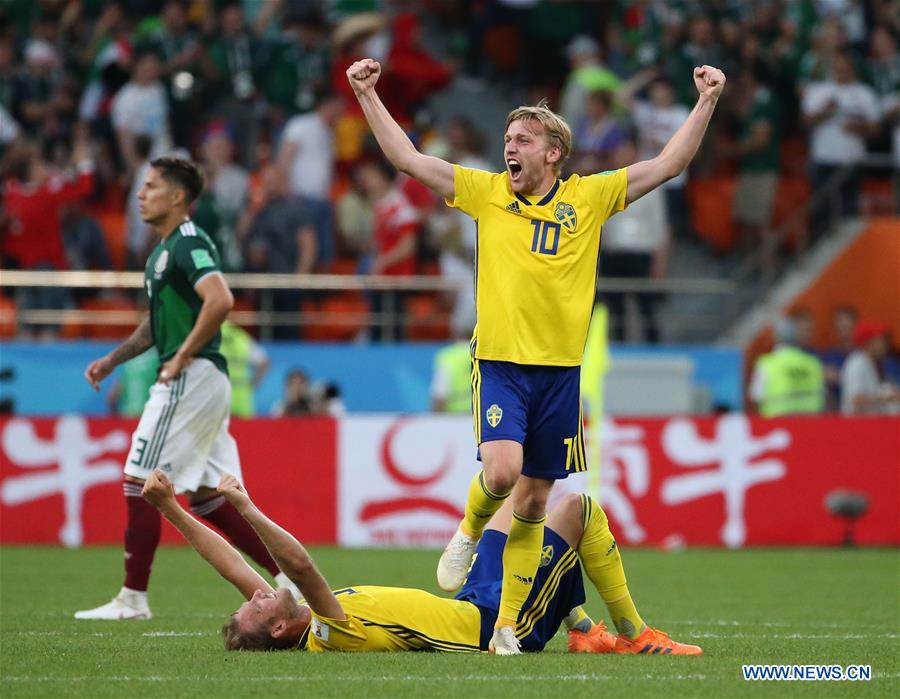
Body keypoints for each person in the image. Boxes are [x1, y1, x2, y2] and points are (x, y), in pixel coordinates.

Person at [346, 56, 726, 654]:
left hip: (559, 375)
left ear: (554, 153)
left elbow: (670, 163)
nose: (509, 148)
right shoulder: (486, 192)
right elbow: (408, 160)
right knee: (500, 473)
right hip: (500, 362)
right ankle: (468, 531)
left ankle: (505, 630)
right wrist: (367, 95)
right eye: (506, 139)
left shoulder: (591, 198)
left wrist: (705, 101)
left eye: (523, 139)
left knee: (533, 501)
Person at [141, 468, 701, 655]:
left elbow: (232, 565)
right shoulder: (331, 632)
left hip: (471, 601)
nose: (258, 592)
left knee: (519, 492)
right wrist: (245, 506)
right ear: (282, 627)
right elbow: (304, 566)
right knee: (576, 508)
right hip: (495, 628)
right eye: (258, 607)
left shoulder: (296, 617)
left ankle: (580, 628)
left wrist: (170, 507)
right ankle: (633, 632)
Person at [75, 157, 296, 621]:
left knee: (139, 477)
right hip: (199, 377)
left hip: (190, 377)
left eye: (151, 186)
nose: (141, 194)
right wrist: (112, 361)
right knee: (209, 495)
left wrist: (181, 356)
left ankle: (133, 598)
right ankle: (290, 580)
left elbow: (221, 300)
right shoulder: (162, 252)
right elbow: (155, 328)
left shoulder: (189, 242)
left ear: (177, 197)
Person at [748, 317, 825, 417]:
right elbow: (823, 398)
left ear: (775, 338)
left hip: (777, 425)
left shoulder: (767, 364)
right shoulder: (812, 363)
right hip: (809, 425)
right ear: (796, 338)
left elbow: (755, 399)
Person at [840, 320, 900, 415]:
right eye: (880, 341)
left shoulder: (871, 363)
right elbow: (856, 400)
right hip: (855, 425)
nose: (885, 345)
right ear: (869, 342)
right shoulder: (856, 363)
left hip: (869, 423)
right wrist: (886, 396)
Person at [219, 321, 269, 418]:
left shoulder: (209, 335)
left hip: (218, 398)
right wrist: (252, 385)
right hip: (242, 398)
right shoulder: (240, 337)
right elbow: (264, 363)